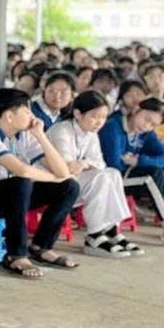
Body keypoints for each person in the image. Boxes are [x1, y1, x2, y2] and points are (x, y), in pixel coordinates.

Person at [0, 88, 81, 275]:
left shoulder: (25, 134)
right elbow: (21, 170)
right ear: (9, 116)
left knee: (69, 187)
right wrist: (57, 177)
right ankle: (16, 255)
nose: (31, 116)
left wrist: (41, 136)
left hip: (12, 194)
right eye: (27, 111)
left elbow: (62, 170)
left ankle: (40, 247)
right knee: (21, 182)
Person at [48, 92, 140, 258]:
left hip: (75, 182)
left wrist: (84, 163)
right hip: (54, 184)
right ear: (77, 113)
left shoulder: (91, 133)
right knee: (102, 177)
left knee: (112, 173)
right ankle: (95, 236)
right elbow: (67, 166)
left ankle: (111, 231)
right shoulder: (61, 130)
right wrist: (85, 164)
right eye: (94, 116)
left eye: (103, 117)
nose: (99, 122)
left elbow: (100, 164)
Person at [98, 96, 164, 221]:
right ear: (136, 109)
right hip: (110, 180)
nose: (147, 126)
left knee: (157, 172)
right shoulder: (113, 127)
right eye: (146, 119)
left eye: (153, 125)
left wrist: (140, 161)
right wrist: (137, 164)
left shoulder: (146, 134)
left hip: (128, 175)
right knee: (152, 175)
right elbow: (114, 165)